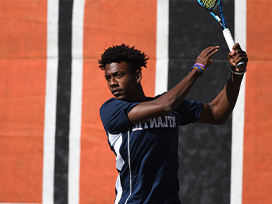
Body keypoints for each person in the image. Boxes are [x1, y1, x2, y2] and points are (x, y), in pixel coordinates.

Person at [99, 43, 248, 204]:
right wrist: (197, 69)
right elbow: (165, 105)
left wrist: (237, 73)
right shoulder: (111, 110)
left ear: (137, 76)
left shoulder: (169, 104)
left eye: (118, 75)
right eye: (108, 77)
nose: (112, 82)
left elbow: (216, 113)